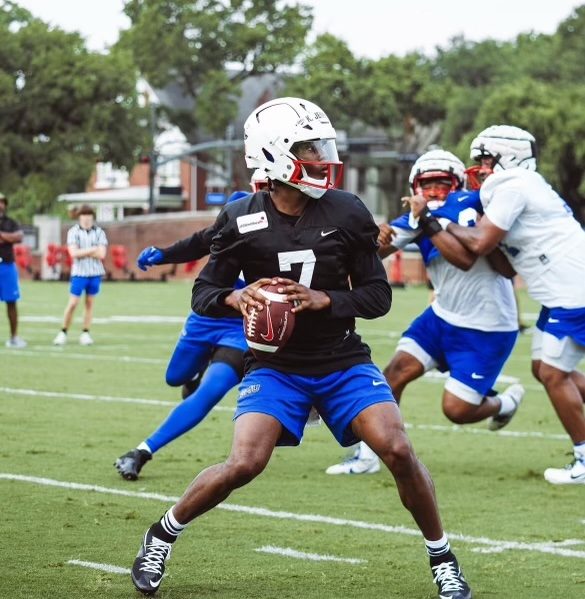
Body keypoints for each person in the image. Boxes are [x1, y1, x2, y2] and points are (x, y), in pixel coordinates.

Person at [128, 98, 472, 599]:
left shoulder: (347, 210)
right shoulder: (240, 217)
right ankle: (161, 534)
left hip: (341, 359)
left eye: (319, 146)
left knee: (397, 447)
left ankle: (443, 557)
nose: (320, 158)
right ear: (273, 156)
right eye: (307, 148)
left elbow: (377, 297)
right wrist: (236, 295)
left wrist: (323, 299)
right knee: (244, 462)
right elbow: (203, 293)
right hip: (275, 366)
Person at [327, 150, 524, 475]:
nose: (433, 193)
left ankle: (505, 402)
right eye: (426, 186)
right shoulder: (420, 216)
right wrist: (376, 240)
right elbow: (379, 250)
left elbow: (466, 258)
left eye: (441, 185)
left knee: (457, 410)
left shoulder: (476, 205)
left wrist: (428, 222)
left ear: (457, 183)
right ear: (415, 187)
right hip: (442, 317)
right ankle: (368, 456)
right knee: (392, 375)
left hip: (487, 326)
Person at [443, 124, 585, 485]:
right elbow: (504, 265)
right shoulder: (518, 185)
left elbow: (479, 243)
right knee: (544, 368)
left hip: (573, 292)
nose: (482, 167)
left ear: (509, 156)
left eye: (487, 159)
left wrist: (435, 221)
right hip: (561, 293)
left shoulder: (514, 184)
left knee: (554, 374)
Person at [114, 192, 250, 481]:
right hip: (206, 316)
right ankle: (197, 369)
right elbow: (200, 241)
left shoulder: (287, 233)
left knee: (208, 393)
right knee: (175, 377)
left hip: (240, 328)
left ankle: (142, 451)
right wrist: (163, 254)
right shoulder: (238, 212)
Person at [53, 205, 108, 346]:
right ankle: (63, 331)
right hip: (79, 273)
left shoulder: (100, 232)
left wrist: (84, 251)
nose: (86, 218)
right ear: (79, 217)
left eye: (89, 215)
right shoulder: (74, 232)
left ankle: (85, 332)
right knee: (73, 303)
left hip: (95, 273)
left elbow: (102, 254)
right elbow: (73, 253)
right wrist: (93, 249)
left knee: (89, 303)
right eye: (84, 215)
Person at [0, 193, 27, 348]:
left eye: (2, 202)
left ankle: (14, 336)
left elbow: (18, 237)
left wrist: (2, 236)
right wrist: (7, 238)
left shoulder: (11, 222)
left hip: (7, 266)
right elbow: (12, 238)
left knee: (11, 301)